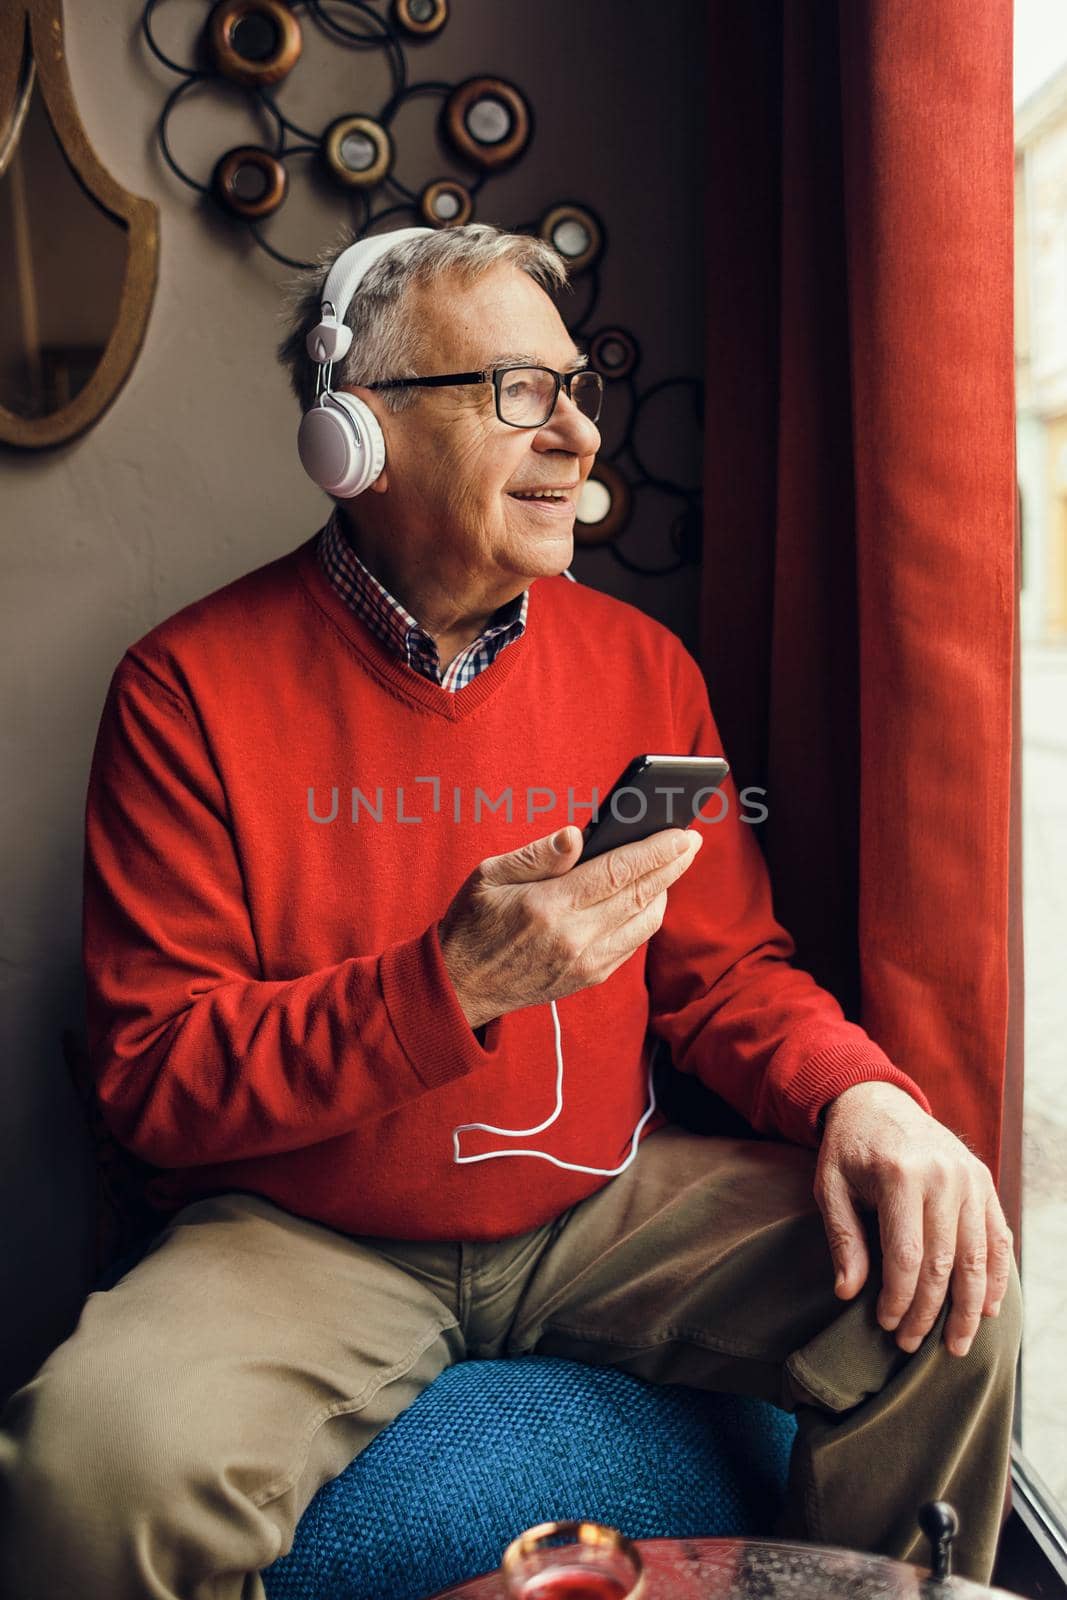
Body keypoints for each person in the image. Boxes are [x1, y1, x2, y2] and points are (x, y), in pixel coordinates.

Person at [0, 225, 1020, 1600]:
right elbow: (153, 1079)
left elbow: (726, 978)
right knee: (93, 1467)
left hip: (601, 1200)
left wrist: (865, 1098)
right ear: (351, 436)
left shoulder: (646, 668)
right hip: (305, 1234)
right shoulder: (184, 693)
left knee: (945, 1294)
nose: (580, 436)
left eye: (576, 388)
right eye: (518, 393)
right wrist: (448, 987)